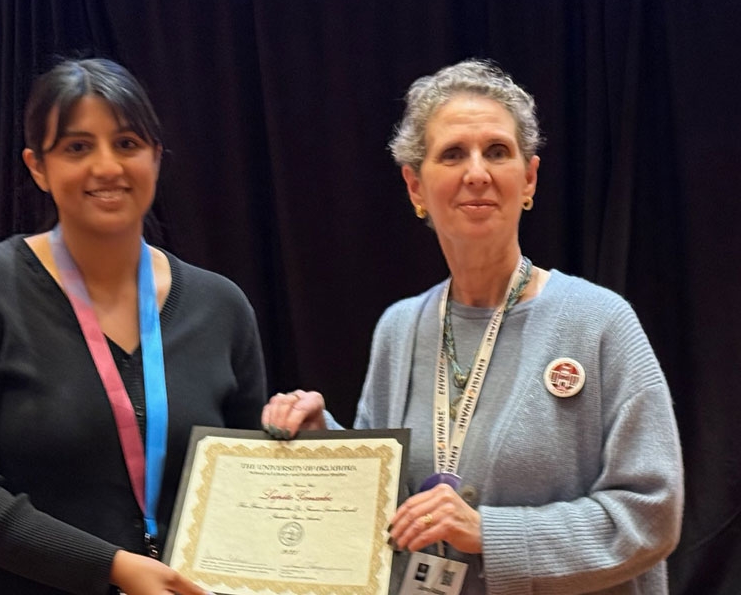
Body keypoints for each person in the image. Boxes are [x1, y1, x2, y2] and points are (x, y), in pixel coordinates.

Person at [262, 59, 684, 594]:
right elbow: (387, 498)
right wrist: (323, 441)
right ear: (415, 186)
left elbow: (651, 514)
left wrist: (491, 533)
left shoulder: (599, 321)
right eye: (453, 154)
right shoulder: (400, 329)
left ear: (528, 178)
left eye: (498, 151)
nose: (477, 173)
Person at [0, 58, 267, 595]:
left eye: (127, 143)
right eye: (77, 147)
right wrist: (112, 567)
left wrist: (298, 436)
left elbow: (251, 486)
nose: (107, 166)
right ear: (37, 167)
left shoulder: (221, 305)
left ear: (156, 157)